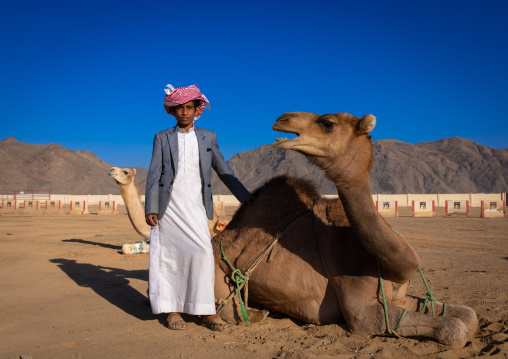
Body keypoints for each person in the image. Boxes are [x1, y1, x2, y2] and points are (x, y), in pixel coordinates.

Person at [145, 84, 251, 331]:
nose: (184, 112)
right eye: (179, 108)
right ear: (172, 111)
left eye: (189, 108)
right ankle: (172, 310)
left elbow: (223, 170)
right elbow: (154, 174)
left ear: (196, 110)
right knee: (170, 257)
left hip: (196, 206)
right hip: (168, 208)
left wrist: (246, 197)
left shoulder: (208, 136)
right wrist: (151, 206)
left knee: (202, 254)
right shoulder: (162, 137)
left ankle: (206, 311)